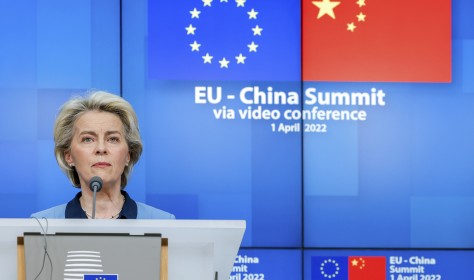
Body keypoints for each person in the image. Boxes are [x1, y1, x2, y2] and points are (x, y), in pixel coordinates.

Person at [31, 90, 175, 219]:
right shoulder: (43, 224)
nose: (101, 148)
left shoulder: (162, 222)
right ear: (68, 156)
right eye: (88, 139)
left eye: (113, 139)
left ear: (128, 155)